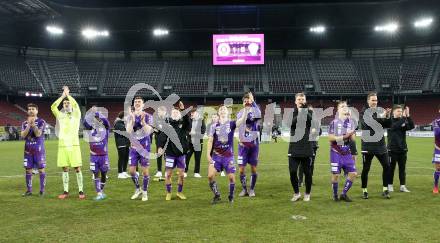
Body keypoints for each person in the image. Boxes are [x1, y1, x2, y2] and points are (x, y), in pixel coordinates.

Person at [207, 104, 249, 204]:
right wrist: (208, 155)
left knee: (231, 178)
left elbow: (242, 120)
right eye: (221, 109)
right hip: (216, 156)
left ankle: (231, 196)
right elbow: (210, 141)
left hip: (228, 156)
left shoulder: (231, 124)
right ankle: (217, 195)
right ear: (218, 113)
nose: (222, 110)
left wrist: (246, 111)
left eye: (224, 109)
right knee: (210, 176)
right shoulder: (213, 126)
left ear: (227, 112)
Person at [51, 86, 85, 200]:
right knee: (65, 169)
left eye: (67, 103)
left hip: (74, 145)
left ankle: (81, 191)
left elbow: (75, 105)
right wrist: (62, 96)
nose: (66, 104)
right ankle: (65, 191)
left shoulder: (77, 115)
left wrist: (68, 95)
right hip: (63, 146)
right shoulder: (60, 116)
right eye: (64, 103)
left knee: (77, 168)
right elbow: (53, 107)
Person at [360, 92, 392, 199]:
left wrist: (387, 117)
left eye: (376, 100)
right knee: (366, 169)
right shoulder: (364, 112)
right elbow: (368, 125)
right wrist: (381, 117)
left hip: (380, 145)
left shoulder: (380, 110)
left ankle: (385, 189)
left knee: (387, 166)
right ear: (368, 100)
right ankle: (364, 190)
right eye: (373, 100)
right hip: (367, 145)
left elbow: (388, 125)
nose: (375, 102)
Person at [157, 101, 191, 200]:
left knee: (181, 175)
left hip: (181, 154)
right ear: (171, 115)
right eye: (173, 112)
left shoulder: (183, 125)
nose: (175, 113)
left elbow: (188, 122)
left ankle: (179, 192)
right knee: (168, 174)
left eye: (177, 112)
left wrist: (183, 110)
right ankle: (168, 192)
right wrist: (160, 147)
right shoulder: (167, 124)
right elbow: (161, 136)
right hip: (170, 153)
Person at [328, 101, 357, 202]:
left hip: (347, 153)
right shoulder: (334, 123)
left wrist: (352, 133)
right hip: (336, 152)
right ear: (338, 110)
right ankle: (335, 195)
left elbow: (353, 139)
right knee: (336, 175)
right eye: (342, 106)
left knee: (353, 173)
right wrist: (345, 136)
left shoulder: (351, 123)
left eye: (346, 106)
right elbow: (331, 138)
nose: (345, 108)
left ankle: (343, 194)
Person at [126, 96, 154, 202]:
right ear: (134, 104)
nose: (137, 103)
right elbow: (128, 131)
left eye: (139, 102)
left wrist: (143, 122)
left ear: (143, 104)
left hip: (145, 147)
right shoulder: (130, 117)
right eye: (136, 102)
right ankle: (138, 189)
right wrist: (132, 121)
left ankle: (145, 192)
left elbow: (148, 131)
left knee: (145, 172)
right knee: (132, 171)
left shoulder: (148, 116)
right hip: (133, 147)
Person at [288, 92, 314, 202]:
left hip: (306, 146)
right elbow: (292, 124)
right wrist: (299, 112)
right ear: (295, 101)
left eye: (303, 99)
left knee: (307, 172)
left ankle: (307, 193)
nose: (301, 101)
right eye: (299, 99)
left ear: (305, 101)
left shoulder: (310, 112)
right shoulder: (292, 113)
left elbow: (311, 122)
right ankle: (297, 193)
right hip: (294, 147)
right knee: (293, 172)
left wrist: (304, 111)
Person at [83, 107, 110, 201]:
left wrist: (98, 114)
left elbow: (107, 123)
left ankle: (101, 191)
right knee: (95, 174)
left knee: (103, 174)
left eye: (97, 120)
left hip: (104, 156)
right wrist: (91, 112)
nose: (96, 121)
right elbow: (85, 122)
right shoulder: (90, 130)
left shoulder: (105, 130)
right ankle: (98, 192)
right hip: (94, 156)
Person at [237, 92, 261, 197]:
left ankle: (251, 189)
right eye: (245, 101)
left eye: (248, 101)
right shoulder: (240, 113)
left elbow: (259, 114)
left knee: (253, 168)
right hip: (242, 146)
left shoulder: (254, 112)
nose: (247, 102)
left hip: (254, 145)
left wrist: (253, 101)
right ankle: (244, 189)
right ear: (243, 103)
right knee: (241, 169)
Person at [387, 105, 414, 193]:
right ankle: (390, 185)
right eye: (398, 111)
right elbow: (395, 126)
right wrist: (404, 118)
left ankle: (402, 186)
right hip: (392, 150)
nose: (400, 113)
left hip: (402, 149)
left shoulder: (403, 121)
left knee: (402, 169)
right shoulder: (389, 121)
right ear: (393, 112)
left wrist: (408, 116)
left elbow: (411, 126)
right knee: (391, 169)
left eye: (401, 111)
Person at [21, 103, 46, 197]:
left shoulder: (41, 121)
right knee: (28, 170)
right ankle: (29, 191)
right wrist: (28, 125)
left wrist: (33, 125)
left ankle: (42, 190)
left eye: (33, 109)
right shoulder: (24, 123)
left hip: (39, 150)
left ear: (37, 111)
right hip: (27, 151)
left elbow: (38, 134)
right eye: (29, 109)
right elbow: (23, 135)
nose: (31, 110)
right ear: (27, 111)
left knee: (41, 170)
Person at [185, 108, 206, 178]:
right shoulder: (189, 120)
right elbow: (186, 131)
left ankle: (196, 172)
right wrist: (189, 133)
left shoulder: (201, 120)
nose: (192, 114)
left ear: (197, 113)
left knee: (197, 158)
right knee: (187, 157)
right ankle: (185, 171)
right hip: (189, 143)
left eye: (193, 113)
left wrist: (194, 133)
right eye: (191, 113)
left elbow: (203, 131)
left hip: (198, 143)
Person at [114, 111, 131, 179]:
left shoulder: (123, 123)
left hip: (126, 143)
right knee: (121, 158)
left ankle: (124, 172)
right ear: (123, 116)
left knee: (126, 157)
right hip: (121, 143)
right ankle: (120, 173)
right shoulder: (118, 123)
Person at [153, 106, 168, 178]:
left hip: (167, 141)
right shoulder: (156, 119)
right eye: (158, 111)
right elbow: (155, 129)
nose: (158, 113)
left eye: (159, 111)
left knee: (167, 156)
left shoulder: (168, 119)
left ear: (163, 111)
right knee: (159, 155)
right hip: (158, 140)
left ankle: (166, 171)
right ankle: (159, 171)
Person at [431, 106, 440, 194]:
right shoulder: (436, 122)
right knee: (438, 168)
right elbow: (437, 134)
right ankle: (436, 186)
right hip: (438, 149)